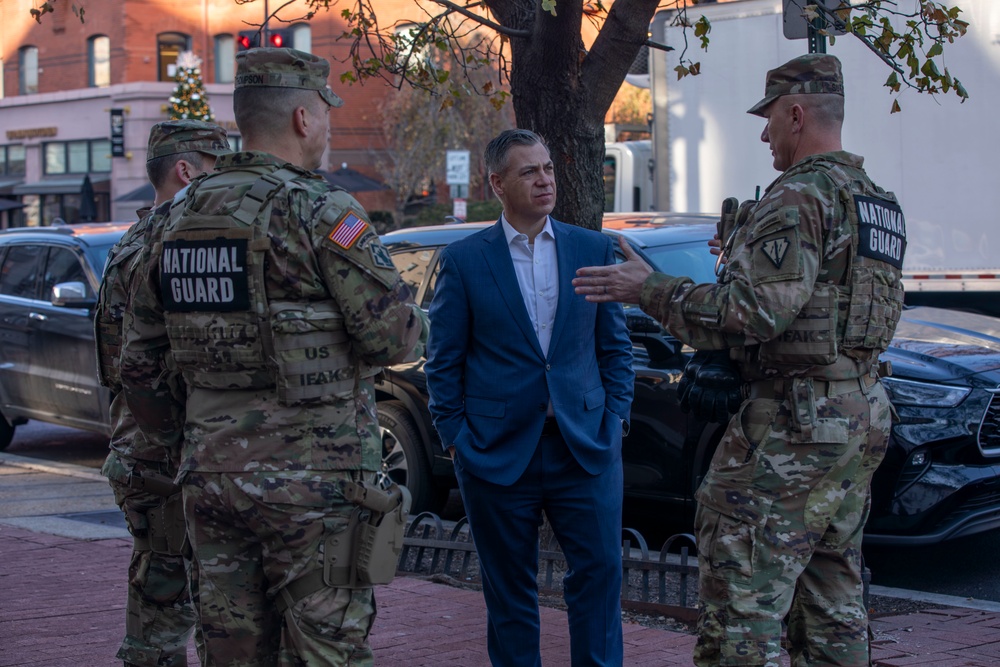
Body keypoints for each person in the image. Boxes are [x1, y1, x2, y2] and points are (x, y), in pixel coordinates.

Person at [572, 53, 907, 666]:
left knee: (740, 607)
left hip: (791, 429)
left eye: (770, 119)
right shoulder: (875, 200)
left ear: (797, 114)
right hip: (857, 418)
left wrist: (647, 288)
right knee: (833, 602)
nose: (764, 133)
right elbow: (829, 308)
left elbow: (753, 314)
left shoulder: (799, 196)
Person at [118, 47, 428, 666]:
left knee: (231, 653)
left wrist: (195, 442)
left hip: (210, 478)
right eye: (326, 113)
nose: (329, 127)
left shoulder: (176, 216)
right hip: (315, 485)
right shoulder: (322, 209)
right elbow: (394, 339)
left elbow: (139, 364)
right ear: (303, 119)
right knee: (325, 650)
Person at [424, 128, 635, 667]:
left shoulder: (592, 247)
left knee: (600, 577)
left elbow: (614, 349)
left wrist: (616, 421)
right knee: (509, 593)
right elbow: (443, 363)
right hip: (496, 452)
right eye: (528, 171)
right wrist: (457, 441)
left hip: (584, 445)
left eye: (548, 168)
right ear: (497, 183)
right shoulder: (466, 260)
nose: (544, 180)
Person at [96, 119, 230, 667]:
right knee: (200, 607)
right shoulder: (177, 242)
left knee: (158, 597)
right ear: (186, 170)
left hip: (137, 448)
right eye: (214, 170)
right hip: (172, 450)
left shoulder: (129, 241)